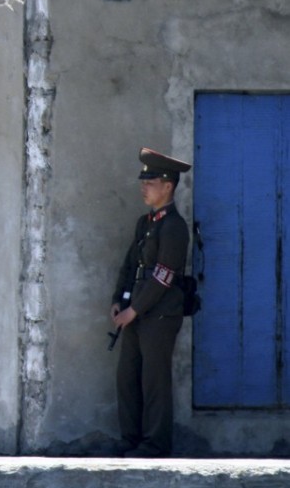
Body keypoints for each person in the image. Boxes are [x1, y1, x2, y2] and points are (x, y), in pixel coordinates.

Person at [110, 147, 191, 458]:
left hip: (159, 315)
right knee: (127, 376)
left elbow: (163, 276)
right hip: (136, 312)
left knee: (154, 380)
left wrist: (134, 309)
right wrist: (118, 299)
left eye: (150, 182)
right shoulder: (145, 223)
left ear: (167, 186)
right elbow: (130, 264)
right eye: (143, 182)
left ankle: (155, 444)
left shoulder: (174, 227)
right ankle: (130, 438)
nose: (143, 187)